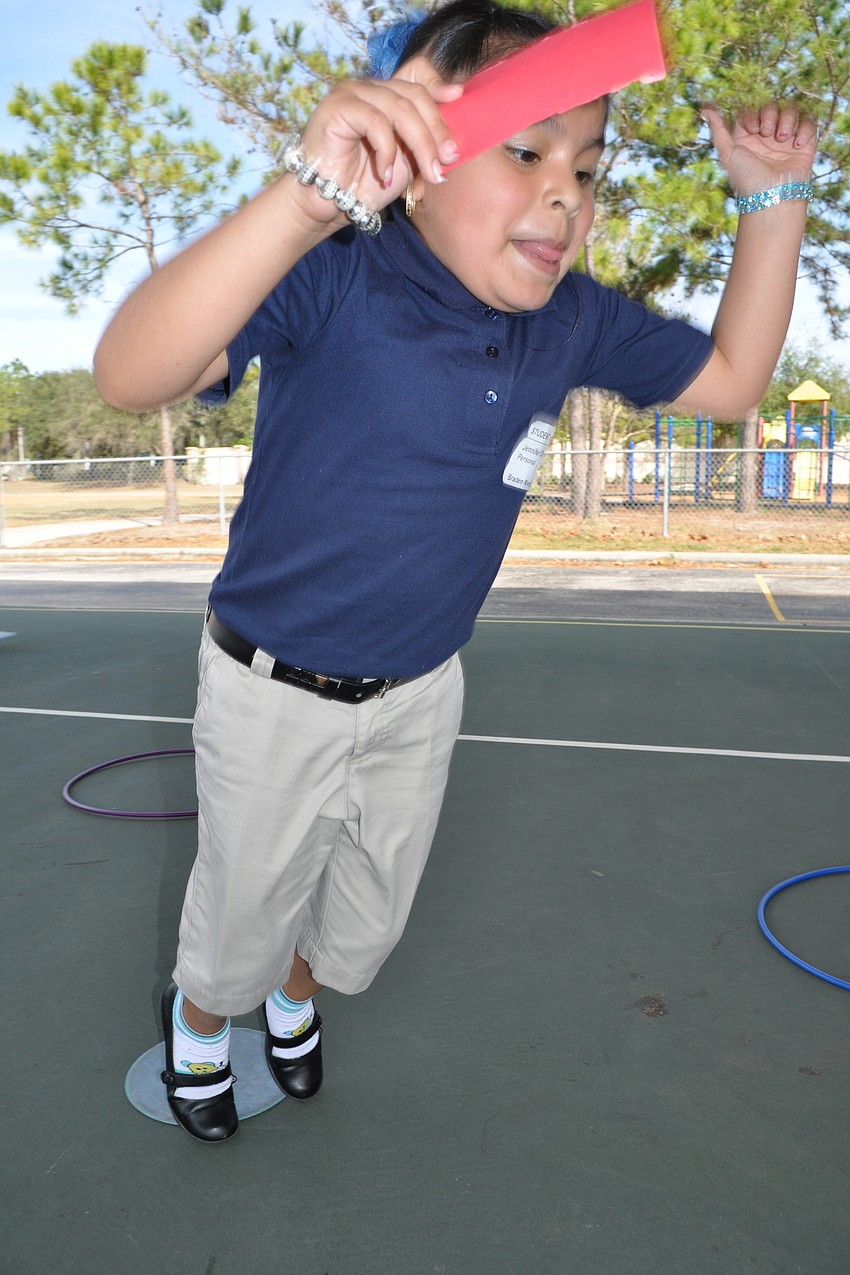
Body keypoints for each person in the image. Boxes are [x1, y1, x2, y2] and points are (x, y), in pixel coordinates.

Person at [94, 0, 816, 1143]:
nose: (565, 190)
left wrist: (771, 201)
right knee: (238, 919)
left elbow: (731, 383)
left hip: (423, 688)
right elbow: (133, 374)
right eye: (525, 149)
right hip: (272, 688)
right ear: (413, 166)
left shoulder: (571, 321)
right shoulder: (334, 273)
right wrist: (302, 198)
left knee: (361, 926)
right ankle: (200, 1021)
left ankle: (295, 1003)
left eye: (587, 163)